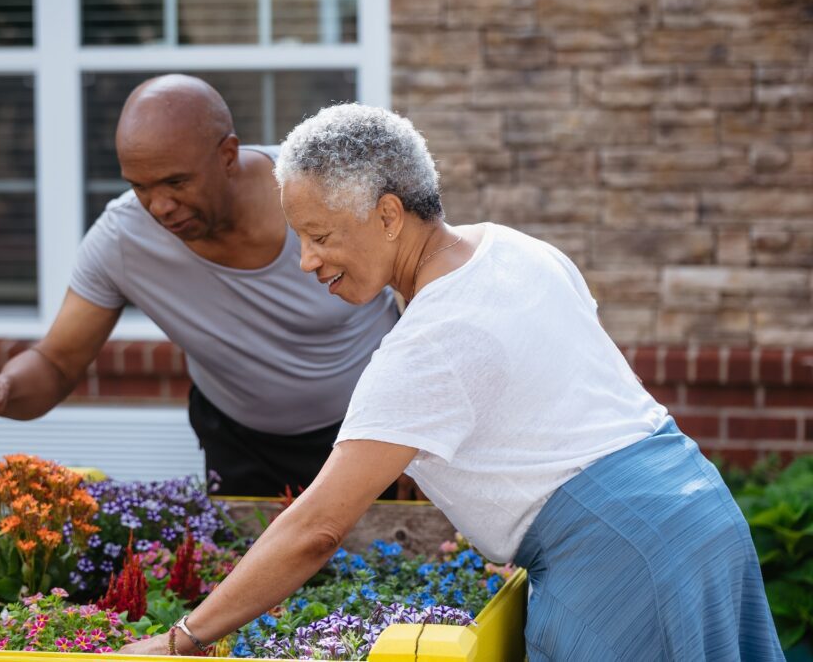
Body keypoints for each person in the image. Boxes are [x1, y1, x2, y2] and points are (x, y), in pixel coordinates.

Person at [118, 104, 784, 660]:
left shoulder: (426, 344)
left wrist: (182, 637)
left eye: (318, 235)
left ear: (387, 215)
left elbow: (316, 529)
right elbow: (560, 413)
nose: (304, 260)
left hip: (622, 559)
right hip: (698, 514)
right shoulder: (516, 248)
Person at [0, 76, 398, 497]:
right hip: (240, 444)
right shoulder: (123, 238)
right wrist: (2, 388)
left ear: (227, 156)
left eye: (176, 182)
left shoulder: (325, 198)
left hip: (371, 432)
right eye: (140, 186)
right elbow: (57, 362)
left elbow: (428, 305)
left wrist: (422, 436)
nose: (160, 206)